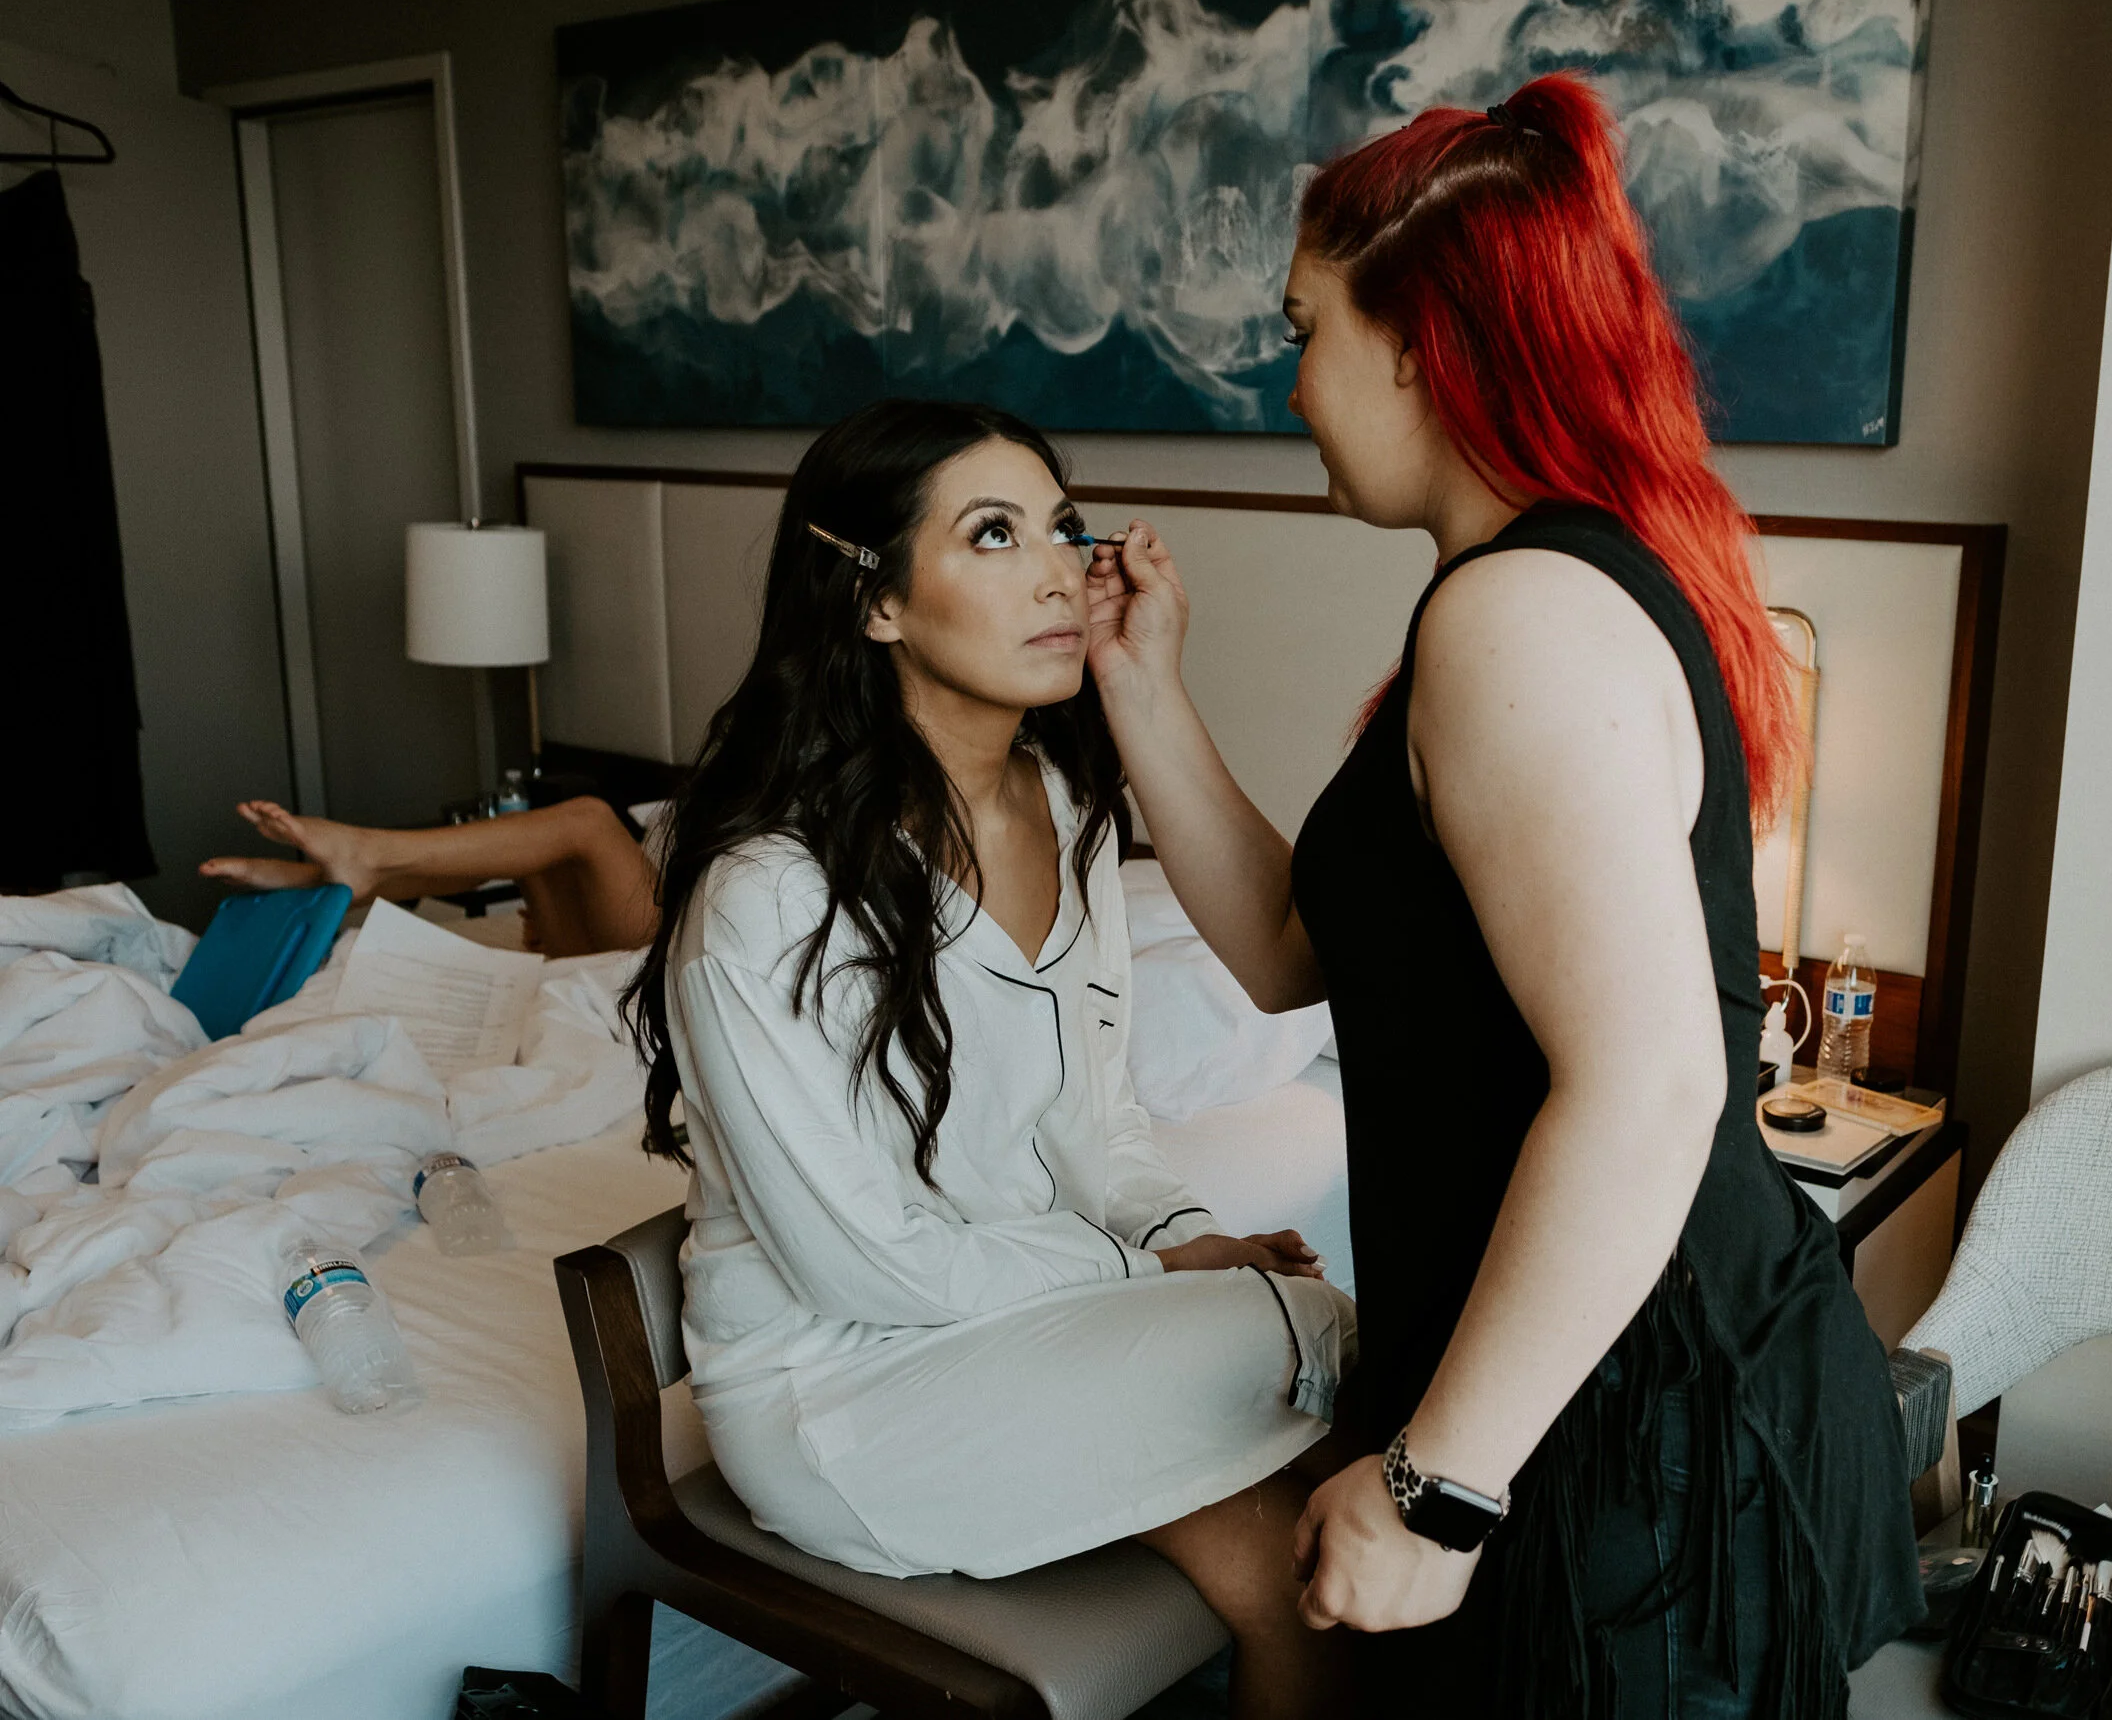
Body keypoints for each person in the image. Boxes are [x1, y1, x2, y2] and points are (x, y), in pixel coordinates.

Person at [1084, 75, 1922, 1718]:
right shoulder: (1538, 584)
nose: (1293, 384)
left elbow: (1655, 1086)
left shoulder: (1519, 613)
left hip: (1619, 1413)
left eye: (1304, 330)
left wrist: (1435, 1487)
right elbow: (1284, 955)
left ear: (1419, 341)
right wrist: (1144, 693)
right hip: (1595, 1377)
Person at [615, 400, 1359, 1720]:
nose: (1059, 569)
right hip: (841, 1386)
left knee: (1301, 1535)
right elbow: (864, 1260)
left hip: (1020, 1320)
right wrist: (1155, 1270)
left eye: (1063, 527)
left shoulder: (1064, 809)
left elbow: (1097, 1124)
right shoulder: (766, 897)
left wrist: (1181, 1231)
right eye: (995, 534)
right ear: (878, 601)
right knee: (1346, 1347)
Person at [200, 794, 659, 959]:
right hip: (610, 955)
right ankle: (317, 881)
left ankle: (358, 859)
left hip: (670, 952)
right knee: (523, 848)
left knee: (590, 820)